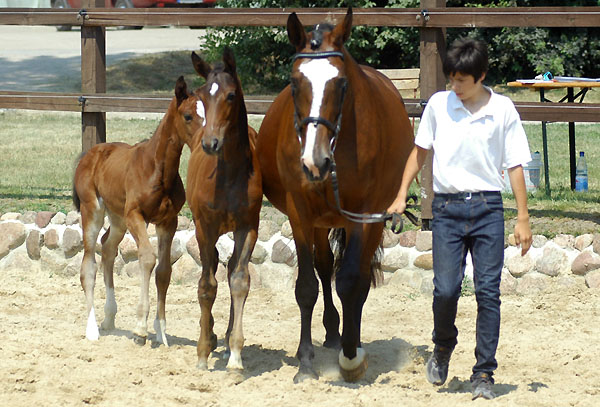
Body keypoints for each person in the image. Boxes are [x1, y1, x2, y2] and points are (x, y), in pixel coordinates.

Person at [387, 37, 532, 400]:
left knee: (488, 293)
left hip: (487, 209)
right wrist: (401, 194)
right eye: (451, 79)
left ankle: (484, 372)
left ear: (481, 75)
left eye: (462, 81)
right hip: (448, 210)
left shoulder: (502, 110)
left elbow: (514, 165)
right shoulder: (439, 105)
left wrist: (523, 217)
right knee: (446, 289)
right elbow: (419, 153)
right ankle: (442, 346)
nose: (455, 87)